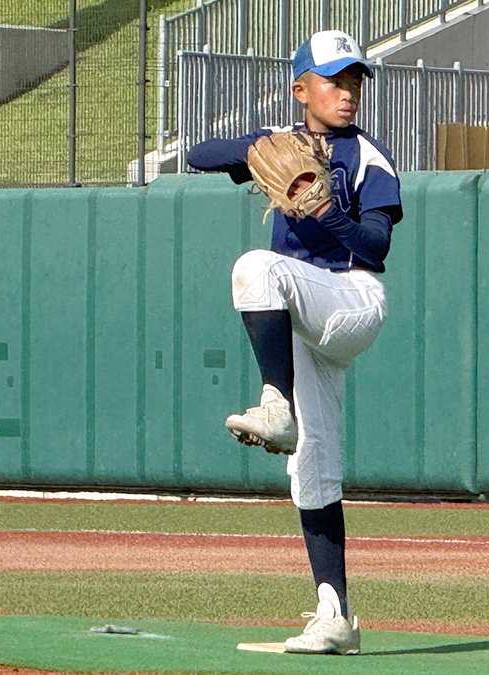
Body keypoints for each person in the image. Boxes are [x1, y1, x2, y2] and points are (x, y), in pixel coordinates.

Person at [185, 29, 401, 654]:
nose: (348, 92)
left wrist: (327, 212)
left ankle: (275, 402)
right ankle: (335, 614)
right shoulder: (282, 141)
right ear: (300, 88)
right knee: (311, 468)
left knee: (256, 266)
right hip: (302, 317)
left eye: (355, 80)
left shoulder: (368, 157)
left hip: (353, 299)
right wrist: (263, 147)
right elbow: (199, 154)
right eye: (335, 80)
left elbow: (378, 245)